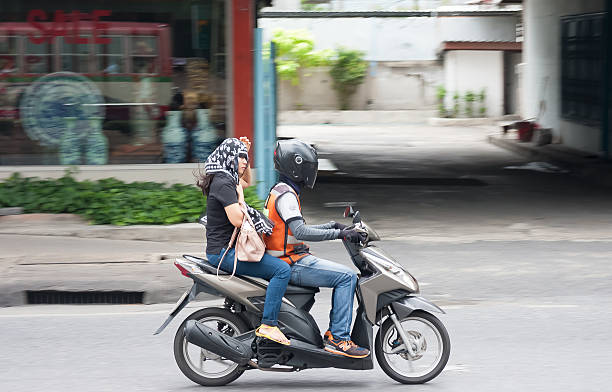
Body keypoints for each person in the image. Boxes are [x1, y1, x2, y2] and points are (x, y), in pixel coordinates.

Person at [264, 139, 370, 358]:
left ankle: (337, 335)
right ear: (297, 167)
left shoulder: (282, 191)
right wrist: (340, 233)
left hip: (291, 258)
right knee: (347, 277)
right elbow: (301, 232)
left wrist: (334, 225)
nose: (312, 172)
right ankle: (338, 339)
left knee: (345, 276)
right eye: (309, 167)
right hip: (291, 262)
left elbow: (294, 230)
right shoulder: (287, 197)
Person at [198, 137, 291, 345]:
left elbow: (246, 181)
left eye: (245, 157)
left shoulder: (225, 178)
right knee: (282, 270)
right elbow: (238, 220)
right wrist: (240, 198)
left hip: (225, 249)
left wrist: (246, 155)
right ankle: (269, 324)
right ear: (229, 157)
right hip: (224, 253)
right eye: (240, 157)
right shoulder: (223, 183)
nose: (244, 161)